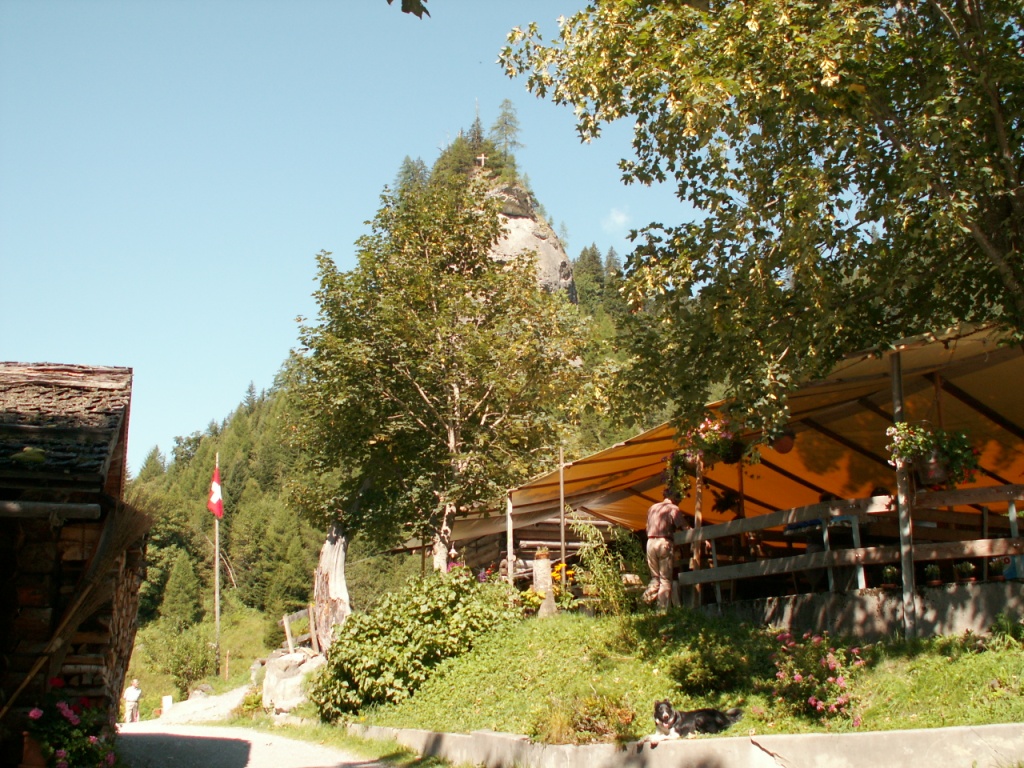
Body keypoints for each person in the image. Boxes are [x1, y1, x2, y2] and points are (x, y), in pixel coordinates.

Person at [645, 489, 689, 610]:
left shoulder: (652, 508)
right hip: (664, 542)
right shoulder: (673, 509)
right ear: (674, 498)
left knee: (655, 578)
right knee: (665, 580)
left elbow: (647, 528)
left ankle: (644, 600)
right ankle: (662, 611)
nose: (679, 502)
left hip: (650, 542)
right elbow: (685, 527)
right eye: (679, 499)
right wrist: (702, 539)